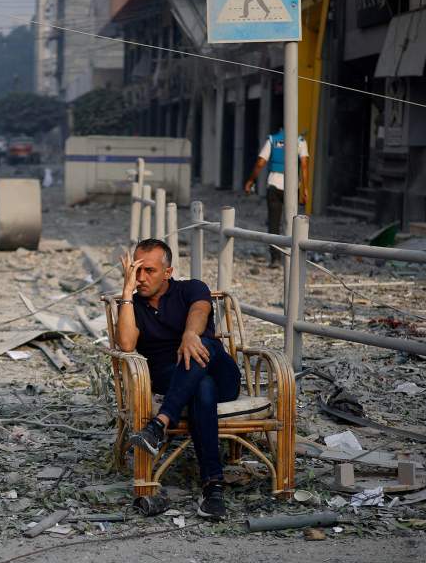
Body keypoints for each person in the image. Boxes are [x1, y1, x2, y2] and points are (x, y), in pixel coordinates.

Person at [119, 239, 241, 519]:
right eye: (137, 270)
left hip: (221, 374)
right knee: (201, 386)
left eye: (149, 270)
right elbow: (126, 344)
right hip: (174, 379)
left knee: (202, 346)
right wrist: (126, 292)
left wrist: (190, 334)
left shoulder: (191, 288)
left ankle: (160, 424)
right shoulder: (133, 305)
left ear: (168, 272)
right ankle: (213, 489)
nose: (141, 277)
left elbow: (200, 311)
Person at [243, 128, 310, 267]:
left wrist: (250, 181)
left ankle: (275, 259)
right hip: (292, 188)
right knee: (292, 223)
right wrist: (305, 189)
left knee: (274, 224)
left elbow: (260, 163)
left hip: (274, 185)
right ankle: (293, 258)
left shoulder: (272, 140)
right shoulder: (300, 141)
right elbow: (304, 165)